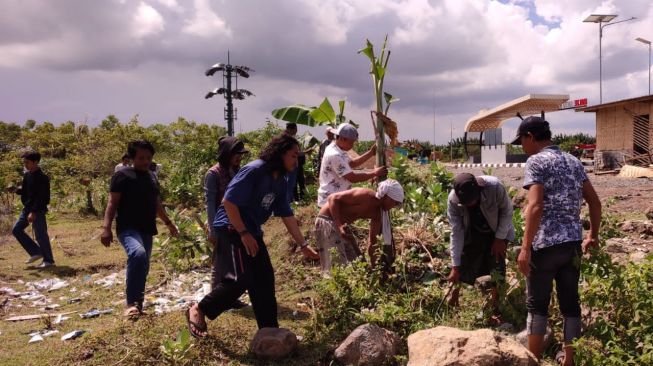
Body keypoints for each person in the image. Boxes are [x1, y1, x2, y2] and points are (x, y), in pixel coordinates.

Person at [185, 133, 320, 338]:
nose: (297, 159)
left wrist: (303, 245)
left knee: (264, 278)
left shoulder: (280, 180)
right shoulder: (254, 170)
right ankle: (199, 309)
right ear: (280, 154)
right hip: (231, 228)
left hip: (251, 231)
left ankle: (268, 330)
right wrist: (243, 232)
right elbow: (228, 203)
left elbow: (286, 214)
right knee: (241, 277)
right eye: (293, 155)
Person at [512, 116, 601, 365]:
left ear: (530, 136)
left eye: (521, 141)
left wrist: (525, 248)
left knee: (537, 306)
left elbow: (536, 205)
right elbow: (595, 202)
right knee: (570, 305)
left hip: (545, 246)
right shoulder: (574, 161)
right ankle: (569, 360)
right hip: (572, 244)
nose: (522, 147)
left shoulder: (536, 161)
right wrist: (592, 235)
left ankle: (534, 359)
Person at [101, 140, 179, 318]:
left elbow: (156, 203)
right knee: (138, 254)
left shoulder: (152, 176)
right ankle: (130, 304)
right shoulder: (122, 176)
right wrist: (106, 228)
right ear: (132, 158)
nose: (145, 161)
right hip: (127, 228)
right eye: (141, 158)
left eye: (148, 158)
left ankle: (138, 306)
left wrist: (168, 223)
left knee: (143, 265)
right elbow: (112, 203)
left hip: (147, 228)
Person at [446, 173, 515, 323]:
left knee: (497, 266)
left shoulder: (494, 187)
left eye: (473, 201)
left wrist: (499, 238)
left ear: (479, 190)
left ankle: (495, 308)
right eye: (466, 203)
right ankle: (454, 298)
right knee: (462, 264)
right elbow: (456, 231)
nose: (470, 204)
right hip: (472, 232)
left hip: (497, 231)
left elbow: (507, 211)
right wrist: (455, 265)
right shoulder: (453, 200)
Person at [315, 179, 404, 271]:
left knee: (356, 265)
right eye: (395, 202)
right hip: (327, 220)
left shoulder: (378, 214)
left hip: (341, 227)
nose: (394, 206)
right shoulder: (366, 195)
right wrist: (339, 225)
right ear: (387, 197)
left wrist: (375, 268)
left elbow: (373, 242)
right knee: (336, 265)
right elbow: (332, 198)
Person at [204, 136, 249, 308]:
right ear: (226, 154)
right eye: (236, 154)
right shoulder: (213, 174)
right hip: (220, 224)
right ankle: (217, 298)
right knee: (221, 262)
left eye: (240, 154)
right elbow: (210, 203)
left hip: (236, 222)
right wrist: (213, 229)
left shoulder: (237, 171)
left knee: (234, 262)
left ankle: (230, 297)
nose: (239, 157)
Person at [317, 123, 387, 207]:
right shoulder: (335, 155)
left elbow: (352, 163)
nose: (352, 146)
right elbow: (353, 178)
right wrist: (374, 173)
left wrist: (370, 153)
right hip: (330, 201)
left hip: (336, 199)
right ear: (343, 139)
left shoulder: (337, 149)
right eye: (351, 143)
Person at [11, 151, 54, 268]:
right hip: (27, 208)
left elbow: (43, 198)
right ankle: (35, 252)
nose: (25, 165)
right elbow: (25, 191)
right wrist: (16, 190)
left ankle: (48, 261)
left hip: (38, 210)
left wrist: (34, 212)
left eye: (27, 162)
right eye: (24, 162)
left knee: (41, 235)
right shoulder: (27, 175)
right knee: (16, 230)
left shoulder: (43, 178)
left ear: (36, 162)